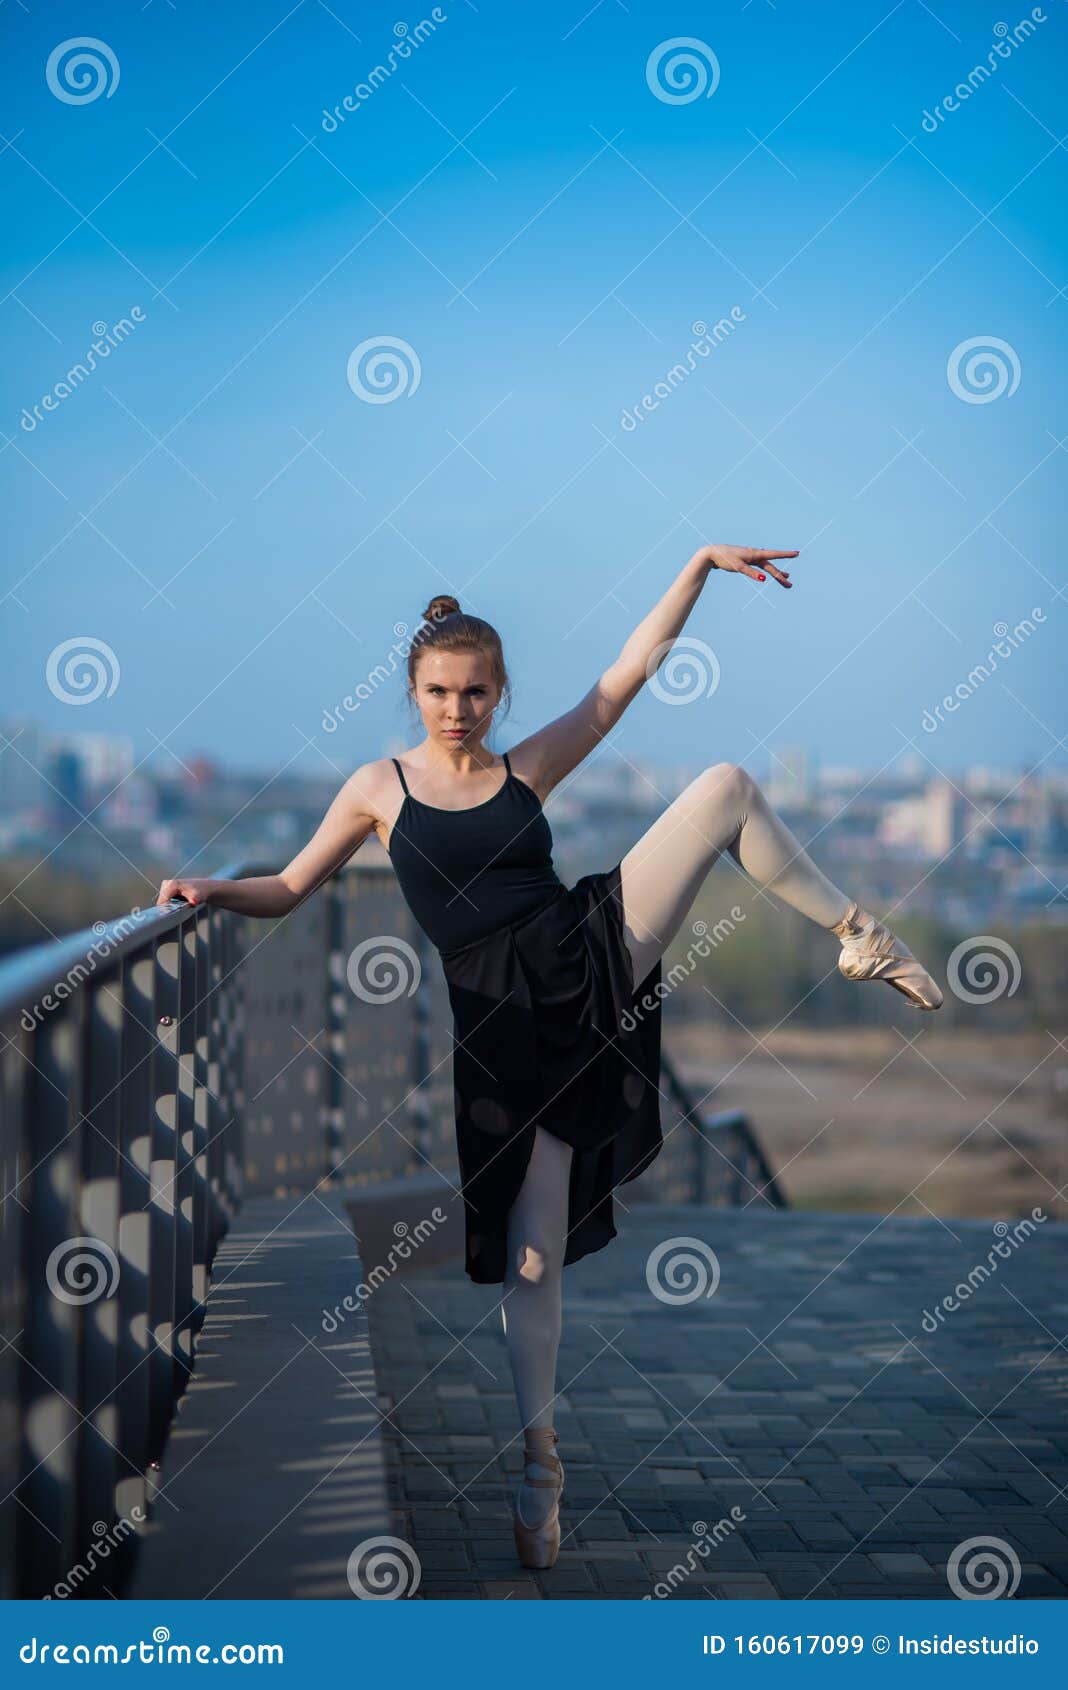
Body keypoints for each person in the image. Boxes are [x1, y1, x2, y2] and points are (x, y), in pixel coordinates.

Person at [157, 541, 942, 1571]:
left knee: (725, 787)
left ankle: (858, 932)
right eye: (440, 691)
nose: (458, 707)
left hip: (585, 953)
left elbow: (627, 673)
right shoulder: (376, 788)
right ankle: (540, 1468)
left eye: (476, 691)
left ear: (497, 692)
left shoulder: (528, 767)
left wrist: (699, 566)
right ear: (414, 690)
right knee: (533, 1256)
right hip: (500, 1027)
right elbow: (293, 886)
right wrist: (211, 889)